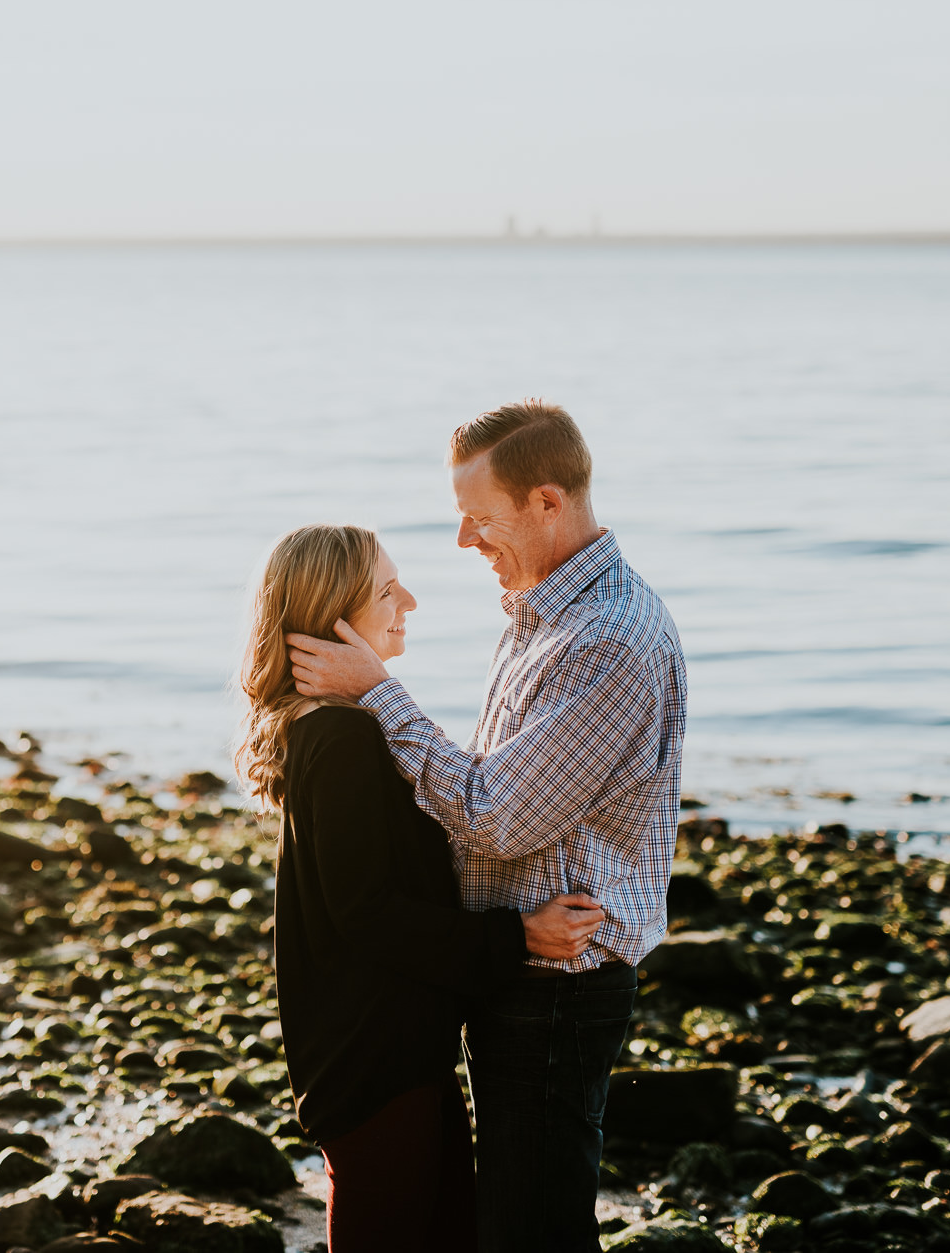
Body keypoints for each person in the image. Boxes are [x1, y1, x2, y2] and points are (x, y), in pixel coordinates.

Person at [287, 401, 687, 1253]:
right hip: (517, 970)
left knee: (530, 1232)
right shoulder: (542, 616)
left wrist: (376, 692)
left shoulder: (607, 639)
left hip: (558, 986)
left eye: (480, 517)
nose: (466, 540)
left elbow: (496, 816)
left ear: (547, 501)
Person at [234, 523, 608, 1253]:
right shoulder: (340, 741)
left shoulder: (337, 729)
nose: (409, 599)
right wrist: (520, 934)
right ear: (333, 617)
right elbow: (368, 912)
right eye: (385, 589)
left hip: (386, 1050)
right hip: (375, 1061)